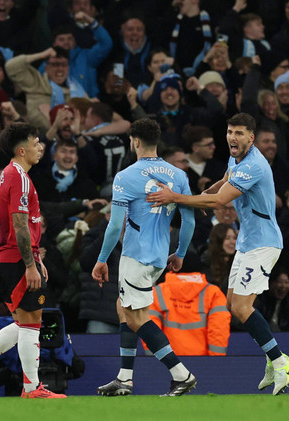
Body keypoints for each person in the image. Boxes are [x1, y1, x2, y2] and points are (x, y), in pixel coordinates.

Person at [148, 113, 289, 395]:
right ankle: (272, 360)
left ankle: (280, 361)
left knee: (242, 307)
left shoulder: (253, 164)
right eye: (230, 131)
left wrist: (176, 198)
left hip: (263, 244)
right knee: (233, 304)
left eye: (239, 133)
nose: (232, 137)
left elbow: (220, 202)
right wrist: (207, 190)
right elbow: (226, 180)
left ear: (251, 138)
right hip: (247, 241)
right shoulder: (237, 157)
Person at [92, 118, 197, 397]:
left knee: (137, 318)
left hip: (136, 255)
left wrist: (102, 259)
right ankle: (124, 379)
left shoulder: (126, 176)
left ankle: (181, 374)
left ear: (135, 141)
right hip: (160, 256)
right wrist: (181, 254)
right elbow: (189, 221)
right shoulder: (178, 175)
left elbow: (115, 225)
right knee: (123, 307)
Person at [0, 123, 66, 399]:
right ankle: (31, 388)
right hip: (15, 259)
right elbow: (20, 224)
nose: (41, 148)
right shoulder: (20, 177)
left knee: (25, 323)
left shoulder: (7, 175)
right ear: (22, 149)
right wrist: (30, 264)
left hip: (7, 258)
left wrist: (34, 257)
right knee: (33, 323)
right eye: (37, 143)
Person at [148, 271, 231, 356]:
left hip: (167, 362)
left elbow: (150, 330)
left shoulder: (157, 292)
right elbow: (219, 328)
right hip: (203, 362)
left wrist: (154, 361)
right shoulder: (213, 293)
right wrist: (216, 362)